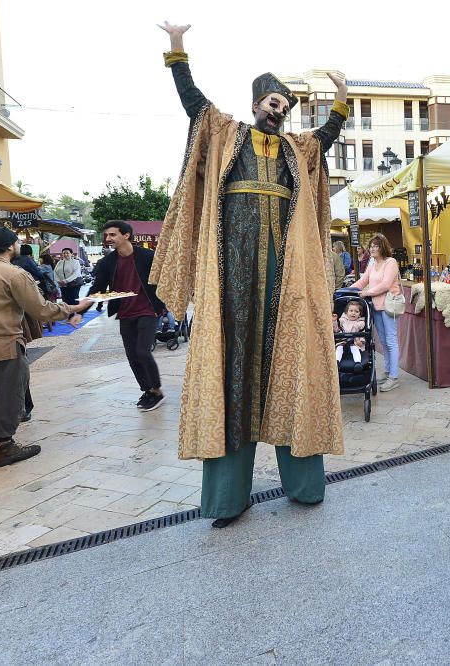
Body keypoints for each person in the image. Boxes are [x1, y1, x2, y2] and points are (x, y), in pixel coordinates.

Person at [152, 22, 346, 528]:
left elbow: (325, 136)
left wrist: (343, 101)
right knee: (231, 381)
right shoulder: (225, 135)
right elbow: (192, 102)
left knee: (292, 375)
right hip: (232, 285)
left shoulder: (296, 152)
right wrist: (177, 49)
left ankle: (304, 487)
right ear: (257, 102)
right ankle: (227, 499)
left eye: (285, 102)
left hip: (285, 288)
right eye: (272, 100)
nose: (279, 107)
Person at [0, 227, 91, 467]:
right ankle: (3, 446)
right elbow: (41, 310)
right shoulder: (13, 274)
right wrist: (74, 308)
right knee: (8, 394)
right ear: (10, 246)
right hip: (4, 344)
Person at [90, 221, 167, 411]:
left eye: (112, 235)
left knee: (142, 351)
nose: (108, 239)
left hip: (148, 309)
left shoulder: (148, 256)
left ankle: (157, 391)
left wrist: (166, 302)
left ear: (126, 236)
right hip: (125, 313)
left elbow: (164, 278)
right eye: (106, 235)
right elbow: (97, 287)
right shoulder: (107, 262)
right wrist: (81, 308)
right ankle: (147, 390)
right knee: (132, 355)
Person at [353, 233, 402, 391]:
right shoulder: (373, 263)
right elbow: (362, 281)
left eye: (376, 246)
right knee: (383, 340)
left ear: (383, 247)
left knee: (391, 340)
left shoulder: (390, 262)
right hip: (376, 307)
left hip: (388, 307)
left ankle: (394, 377)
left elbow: (386, 284)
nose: (372, 249)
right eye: (371, 246)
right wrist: (345, 290)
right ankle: (388, 371)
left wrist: (367, 293)